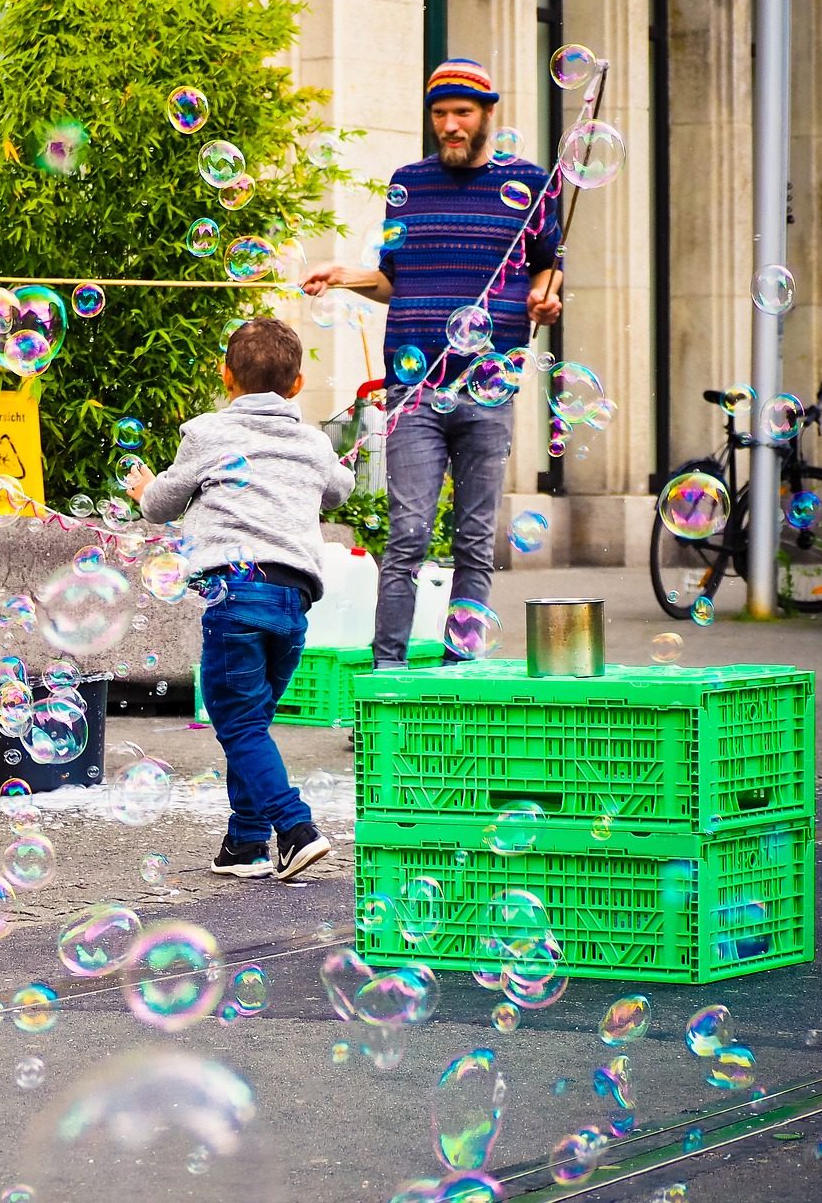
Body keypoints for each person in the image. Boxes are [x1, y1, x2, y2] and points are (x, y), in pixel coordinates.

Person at [302, 58, 563, 668]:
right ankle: (386, 680)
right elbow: (394, 281)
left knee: (474, 541)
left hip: (489, 384)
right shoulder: (409, 183)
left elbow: (548, 265)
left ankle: (457, 680)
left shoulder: (529, 183)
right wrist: (346, 277)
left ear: (487, 116)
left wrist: (547, 297)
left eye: (461, 113)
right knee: (407, 537)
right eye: (440, 114)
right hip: (414, 389)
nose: (449, 125)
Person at [126, 317, 354, 881]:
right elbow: (339, 490)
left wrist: (140, 487)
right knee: (251, 721)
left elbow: (160, 504)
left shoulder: (208, 433)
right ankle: (246, 844)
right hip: (292, 600)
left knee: (239, 724)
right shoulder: (312, 440)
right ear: (298, 386)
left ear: (226, 377)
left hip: (236, 594)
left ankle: (295, 828)